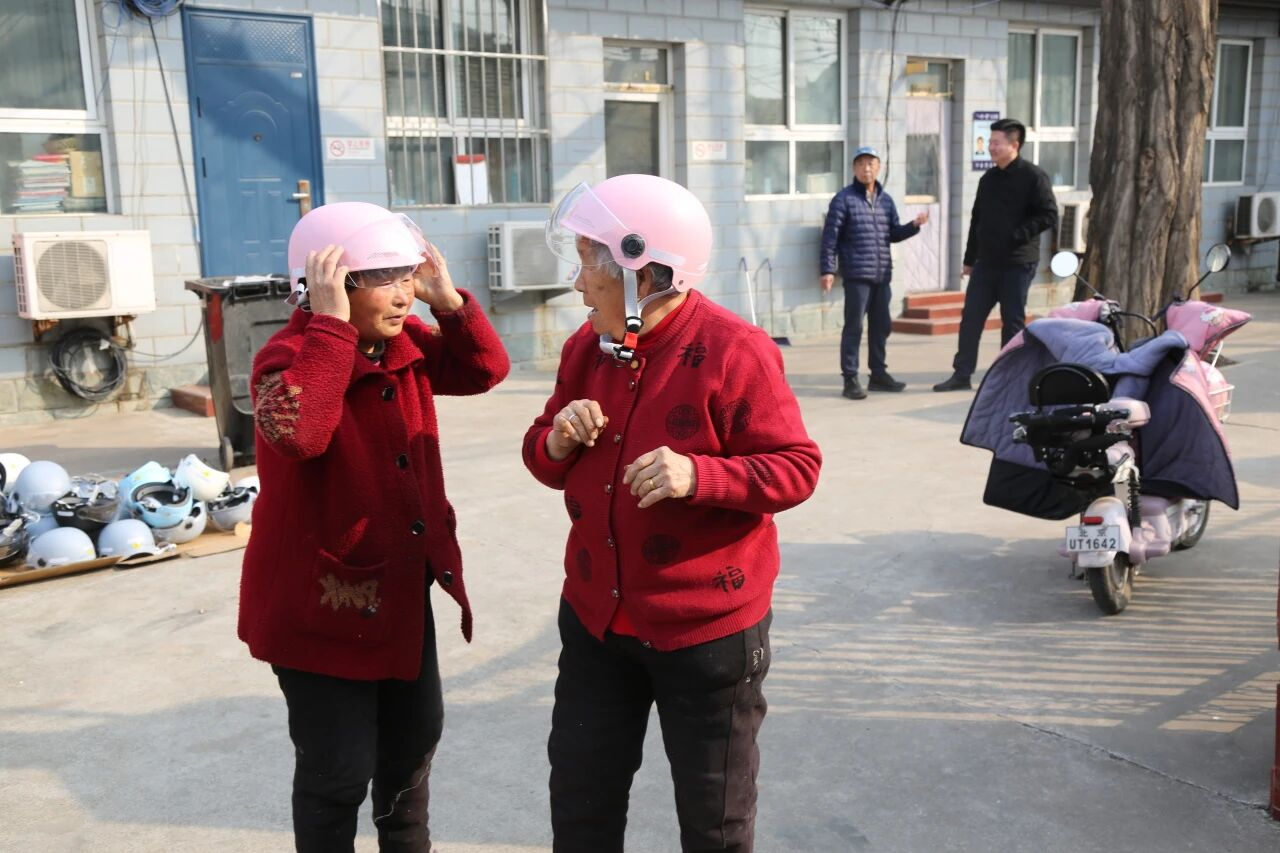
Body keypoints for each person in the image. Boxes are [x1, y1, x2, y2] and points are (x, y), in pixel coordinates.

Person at [522, 174, 822, 853]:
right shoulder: (587, 348)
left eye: (588, 265)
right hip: (596, 624)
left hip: (705, 633)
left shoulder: (735, 350)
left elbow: (797, 467)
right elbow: (541, 455)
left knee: (715, 823)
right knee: (581, 805)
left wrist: (700, 475)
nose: (577, 284)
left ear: (640, 274)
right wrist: (557, 439)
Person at [239, 202, 510, 851]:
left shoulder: (401, 345)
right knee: (338, 771)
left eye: (406, 275)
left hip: (398, 593)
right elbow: (301, 435)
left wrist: (450, 303)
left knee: (411, 752)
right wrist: (330, 328)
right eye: (382, 278)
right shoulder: (286, 359)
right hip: (318, 607)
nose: (403, 293)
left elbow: (483, 369)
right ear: (329, 285)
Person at [934, 119, 1058, 391]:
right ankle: (961, 374)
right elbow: (977, 220)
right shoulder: (988, 179)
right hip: (986, 263)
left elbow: (1049, 214)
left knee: (1011, 322)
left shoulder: (1033, 177)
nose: (991, 147)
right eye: (990, 142)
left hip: (1018, 263)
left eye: (996, 143)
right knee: (971, 318)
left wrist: (1018, 234)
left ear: (1014, 145)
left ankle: (1008, 378)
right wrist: (969, 259)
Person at [820, 146, 927, 399]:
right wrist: (827, 269)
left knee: (881, 327)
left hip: (882, 275)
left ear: (878, 167)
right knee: (854, 327)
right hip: (857, 274)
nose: (866, 169)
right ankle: (850, 378)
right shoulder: (843, 199)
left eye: (870, 164)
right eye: (861, 164)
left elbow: (893, 233)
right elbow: (830, 237)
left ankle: (878, 375)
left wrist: (913, 226)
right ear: (854, 169)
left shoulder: (885, 200)